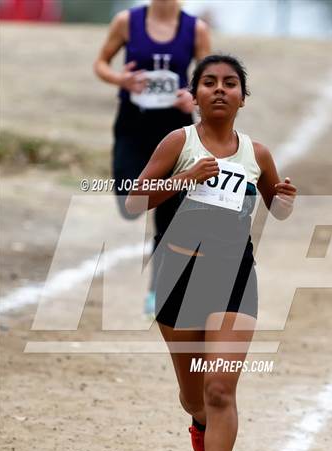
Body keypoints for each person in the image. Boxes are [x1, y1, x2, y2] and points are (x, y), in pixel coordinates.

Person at [125, 54, 297, 451]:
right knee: (194, 395)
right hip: (177, 274)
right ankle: (199, 421)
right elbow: (136, 199)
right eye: (209, 82)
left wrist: (282, 198)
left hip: (234, 277)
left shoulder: (257, 153)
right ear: (195, 94)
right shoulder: (178, 141)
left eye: (230, 83)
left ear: (243, 97)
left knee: (221, 388)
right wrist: (184, 179)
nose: (220, 89)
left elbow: (275, 209)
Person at [93, 0, 210, 316]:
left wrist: (194, 98)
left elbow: (209, 79)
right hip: (132, 128)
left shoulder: (195, 29)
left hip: (175, 134)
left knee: (169, 216)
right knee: (130, 204)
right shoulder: (126, 22)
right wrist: (122, 80)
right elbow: (101, 63)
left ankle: (159, 291)